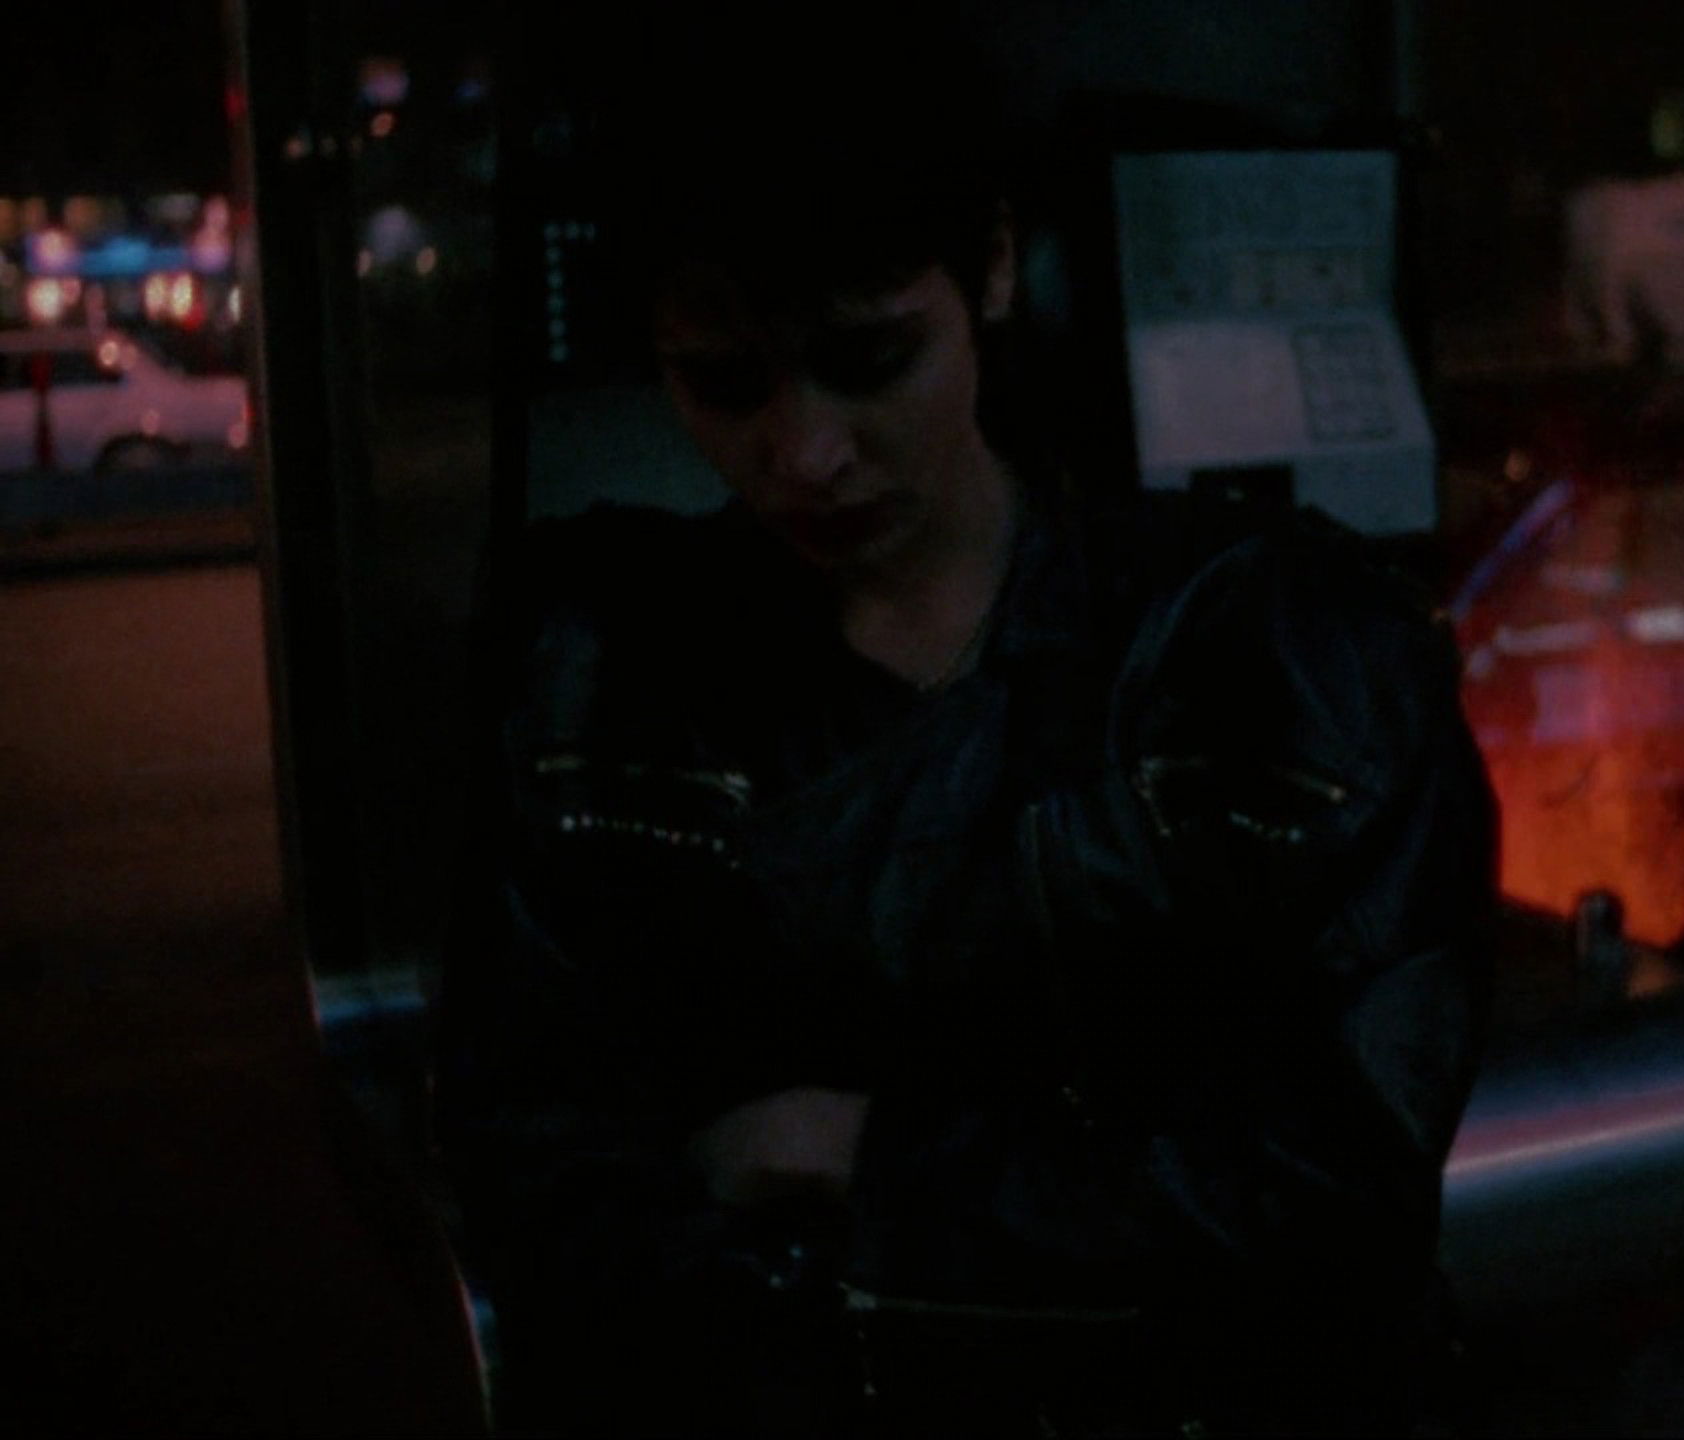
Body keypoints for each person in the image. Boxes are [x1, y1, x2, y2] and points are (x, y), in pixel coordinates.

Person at [431, 21, 1497, 1437]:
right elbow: (533, 1160)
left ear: (991, 268)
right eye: (727, 384)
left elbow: (1335, 1185)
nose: (805, 454)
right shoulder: (604, 680)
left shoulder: (1277, 653)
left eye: (871, 360)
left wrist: (854, 1156)